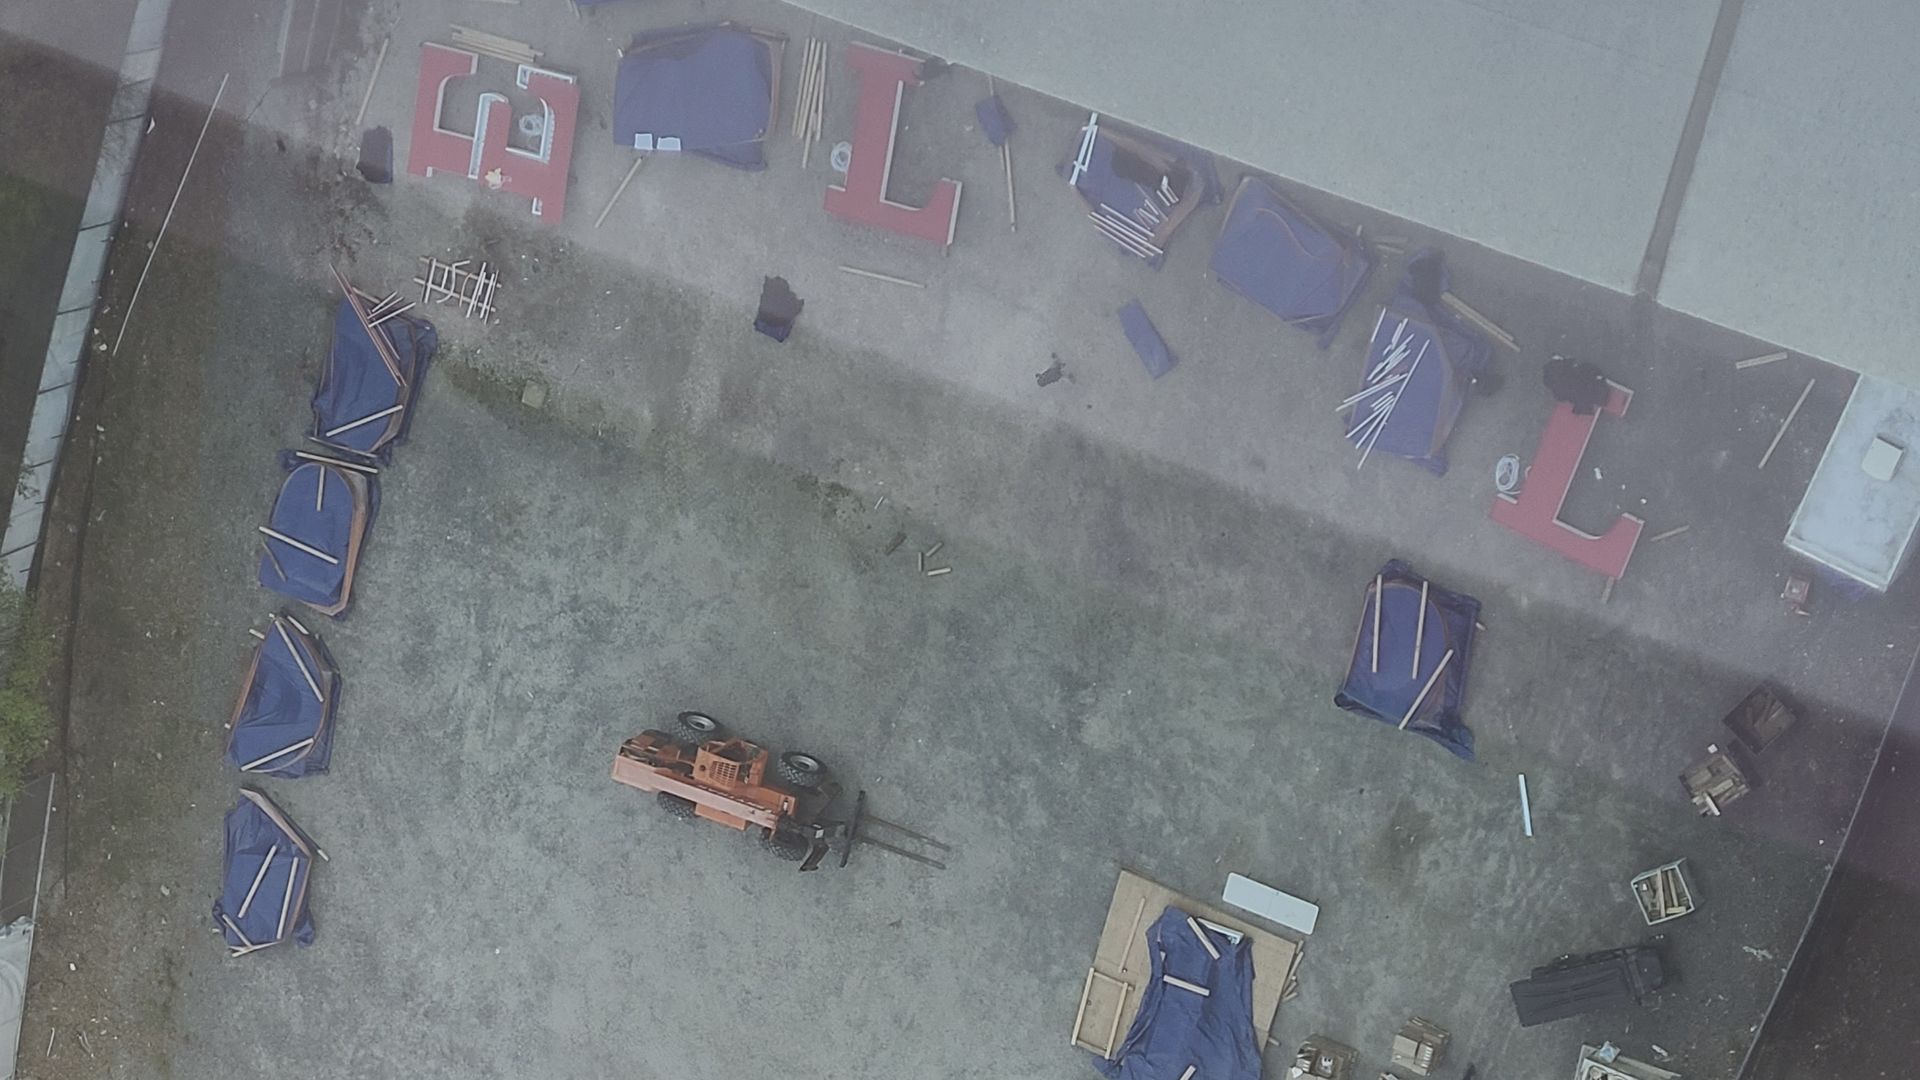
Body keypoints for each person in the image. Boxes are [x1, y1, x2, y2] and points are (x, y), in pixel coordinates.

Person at [1542, 354, 1610, 415]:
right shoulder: (1571, 373)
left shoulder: (1556, 385)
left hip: (1580, 392)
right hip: (1583, 388)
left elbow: (1560, 397)